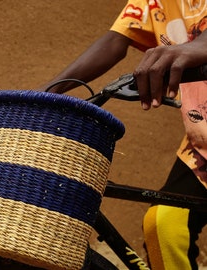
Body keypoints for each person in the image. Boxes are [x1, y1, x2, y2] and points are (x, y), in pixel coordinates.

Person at [39, 1, 207, 269]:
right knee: (164, 224)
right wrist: (45, 94)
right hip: (201, 143)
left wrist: (199, 44)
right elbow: (117, 39)